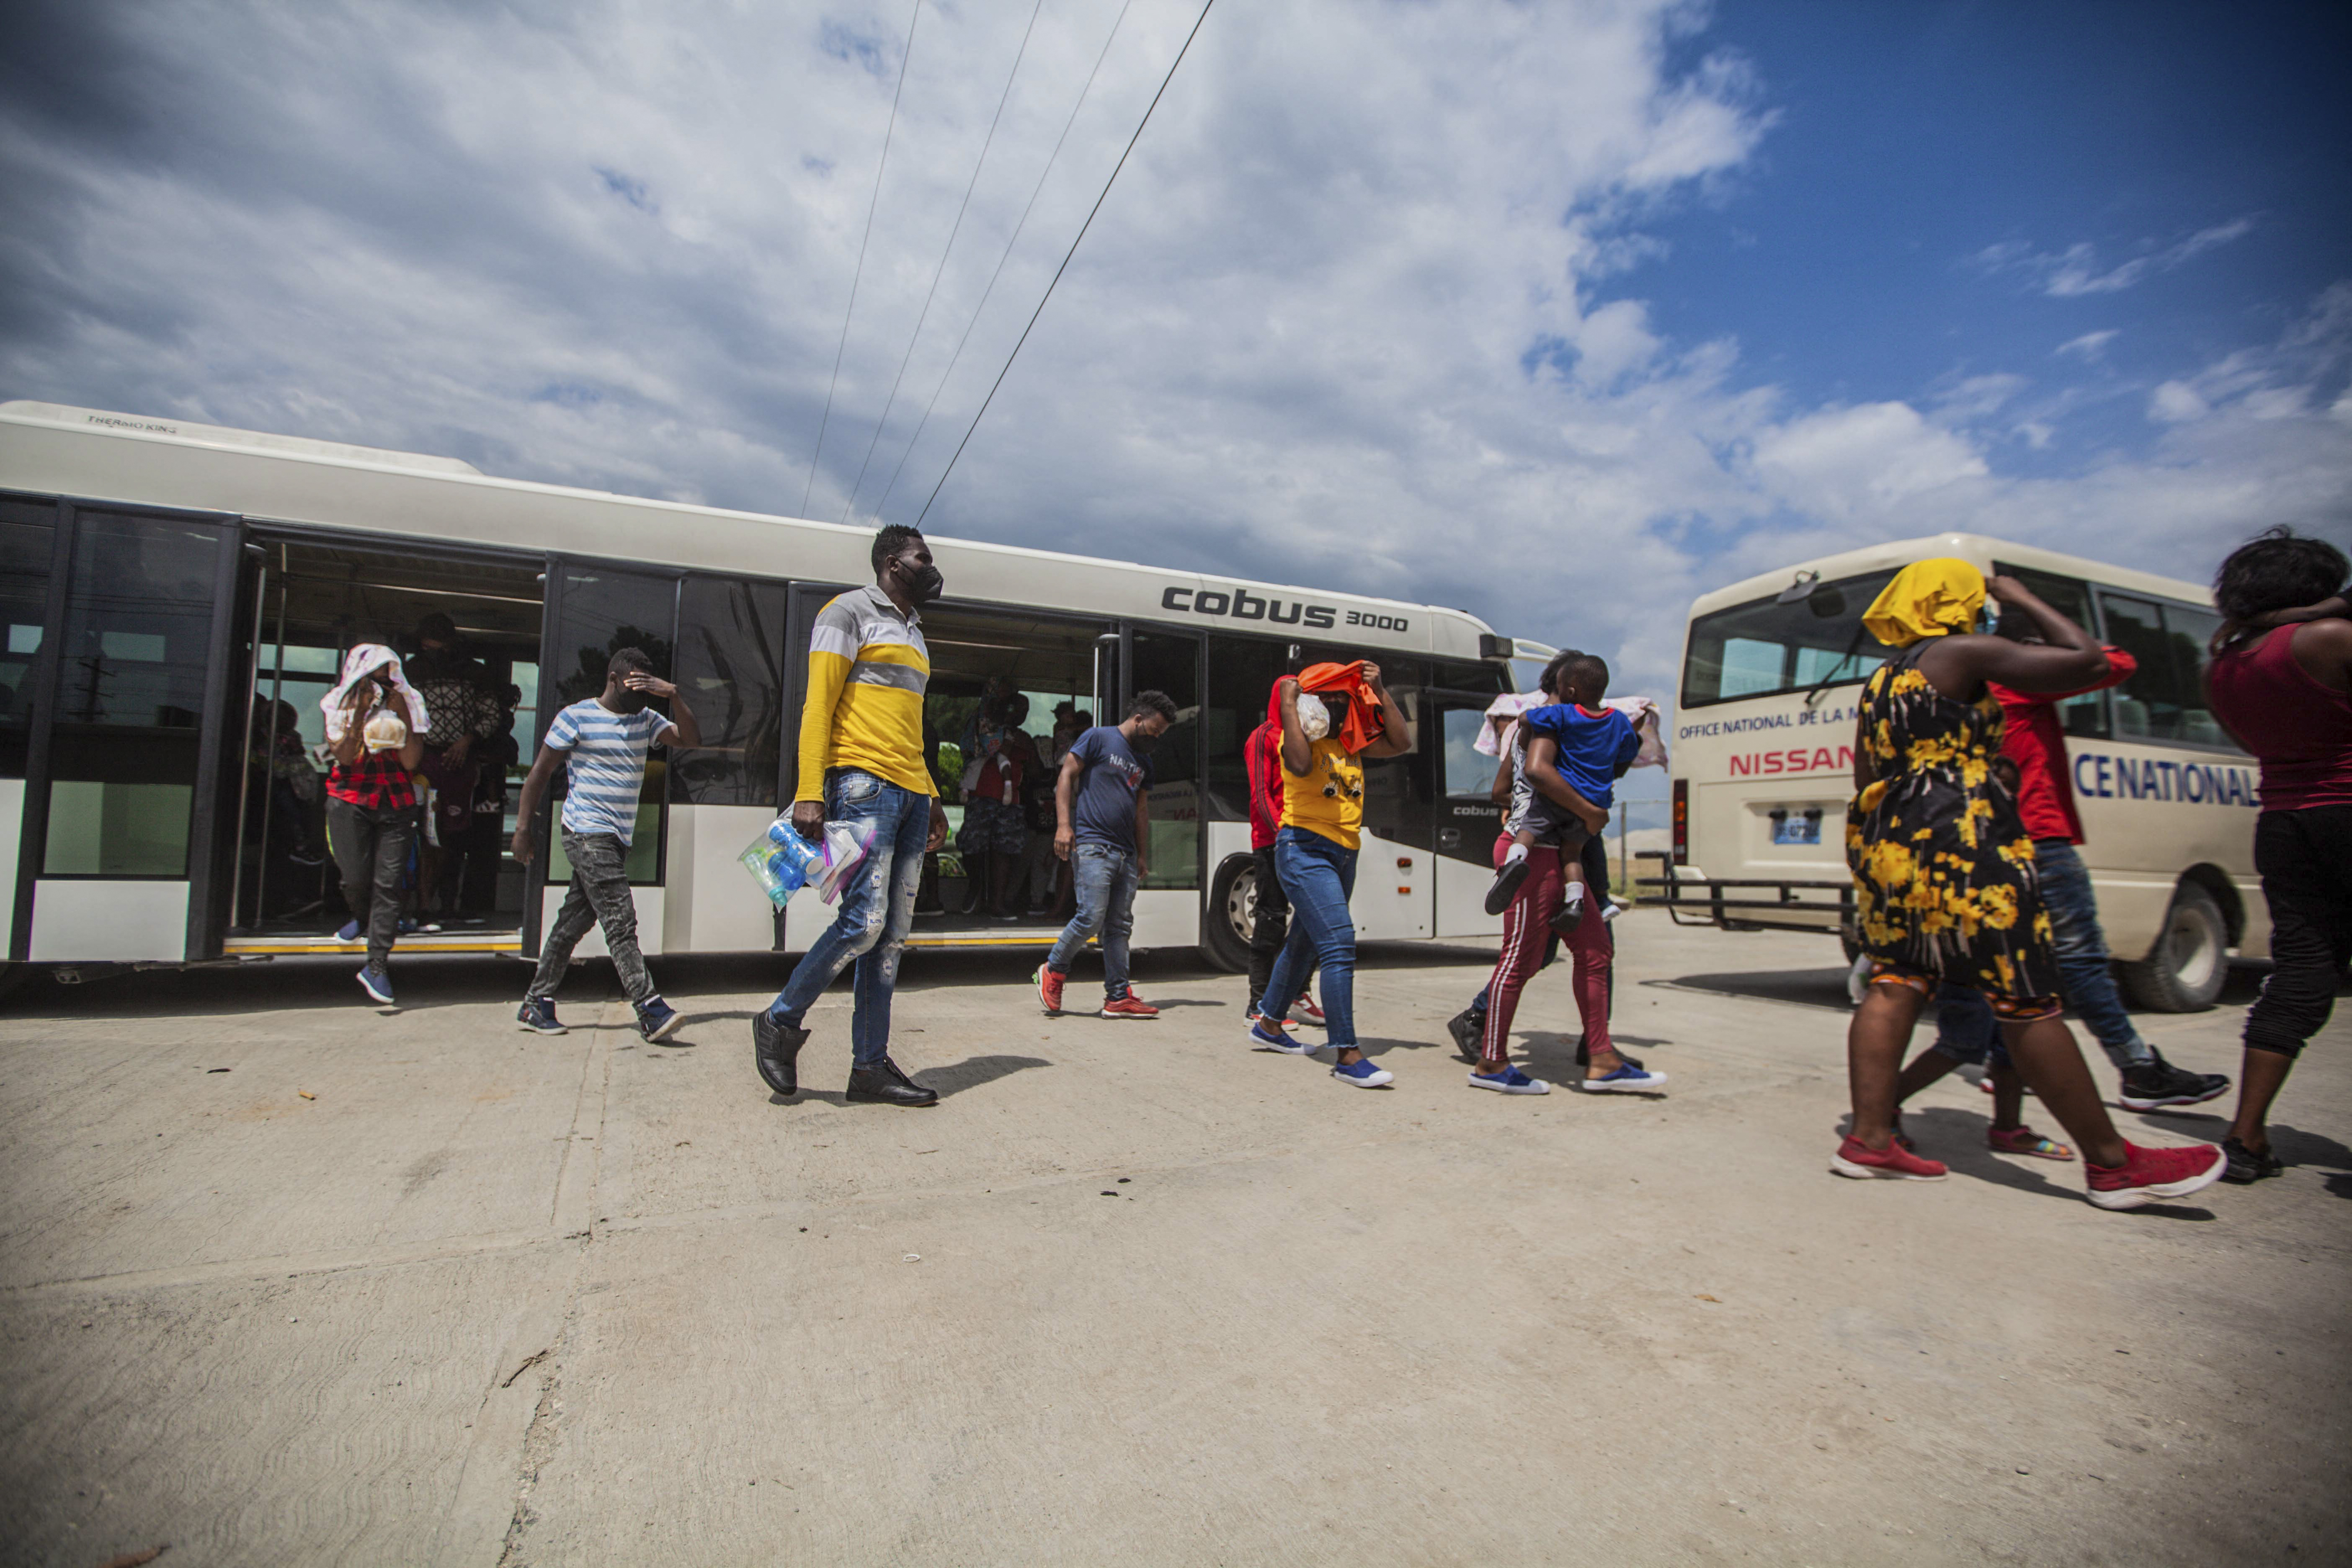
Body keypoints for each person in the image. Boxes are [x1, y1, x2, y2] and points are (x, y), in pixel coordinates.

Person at [1836, 559, 2225, 1208]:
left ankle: (1871, 1137)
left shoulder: (1883, 679)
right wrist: (2020, 595)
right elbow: (2091, 662)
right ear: (1956, 601)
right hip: (1963, 841)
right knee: (2025, 995)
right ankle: (2112, 1165)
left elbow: (1864, 776)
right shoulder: (1963, 650)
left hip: (1891, 847)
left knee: (1896, 979)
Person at [1887, 628, 2230, 1126]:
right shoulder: (2013, 682)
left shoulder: (1925, 696)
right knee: (2070, 968)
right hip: (2036, 842)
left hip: (1964, 856)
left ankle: (2001, 1123)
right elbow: (2113, 661)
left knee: (2017, 995)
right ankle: (2135, 1072)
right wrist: (2034, 615)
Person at [752, 526, 952, 1107]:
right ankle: (780, 1022)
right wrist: (810, 789)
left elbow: (911, 727)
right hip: (862, 782)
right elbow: (819, 705)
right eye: (924, 558)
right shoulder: (847, 612)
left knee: (890, 938)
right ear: (893, 562)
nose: (932, 567)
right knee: (863, 924)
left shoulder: (915, 632)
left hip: (912, 792)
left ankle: (869, 1068)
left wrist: (933, 796)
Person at [2204, 527, 2352, 1184]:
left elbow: (2248, 741)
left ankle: (2246, 1136)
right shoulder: (2328, 640)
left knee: (2301, 973)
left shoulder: (2224, 666)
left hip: (2285, 820)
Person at [1471, 653, 1662, 1095]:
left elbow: (1501, 789)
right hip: (1542, 853)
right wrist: (1588, 808)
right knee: (1519, 959)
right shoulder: (1562, 728)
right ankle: (1491, 1063)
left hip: (1543, 845)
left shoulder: (1530, 726)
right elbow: (1551, 772)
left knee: (1596, 952)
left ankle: (1602, 1059)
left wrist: (1522, 796)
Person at [511, 649, 698, 1042]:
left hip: (617, 838)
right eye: (634, 687)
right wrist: (522, 828)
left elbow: (690, 740)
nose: (640, 697)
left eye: (647, 689)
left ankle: (535, 1001)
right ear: (613, 679)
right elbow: (540, 774)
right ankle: (649, 1008)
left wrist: (674, 695)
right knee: (620, 919)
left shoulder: (646, 719)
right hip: (585, 832)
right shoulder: (576, 716)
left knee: (573, 923)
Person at [1248, 661, 1413, 1087]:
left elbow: (1401, 741)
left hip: (1345, 854)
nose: (1339, 706)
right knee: (1339, 945)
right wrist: (1289, 704)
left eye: (1345, 699)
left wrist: (1382, 690)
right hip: (1304, 850)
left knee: (1304, 943)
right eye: (1330, 699)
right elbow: (1301, 767)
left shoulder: (1352, 744)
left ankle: (1268, 1024)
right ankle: (1348, 1054)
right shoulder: (1296, 739)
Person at [1034, 691, 1178, 1018]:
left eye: (1161, 735)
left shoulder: (1145, 761)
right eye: (1154, 730)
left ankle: (1118, 996)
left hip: (1125, 854)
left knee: (1119, 927)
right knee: (1091, 916)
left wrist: (1142, 854)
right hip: (1093, 845)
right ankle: (1053, 970)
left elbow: (1142, 809)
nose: (1155, 738)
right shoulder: (1098, 738)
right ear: (1138, 719)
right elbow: (1067, 775)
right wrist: (1063, 826)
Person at [321, 644, 428, 1006]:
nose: (382, 683)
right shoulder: (341, 703)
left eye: (388, 675)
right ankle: (360, 917)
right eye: (374, 676)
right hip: (350, 799)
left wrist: (405, 716)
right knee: (354, 876)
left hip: (396, 802)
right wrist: (360, 713)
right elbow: (347, 757)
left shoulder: (408, 701)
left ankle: (377, 964)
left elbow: (411, 761)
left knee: (389, 883)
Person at [406, 613, 505, 922]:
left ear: (450, 642)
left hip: (461, 765)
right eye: (426, 647)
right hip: (423, 761)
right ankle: (423, 905)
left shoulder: (476, 674)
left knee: (453, 838)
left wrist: (467, 741)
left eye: (436, 646)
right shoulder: (410, 672)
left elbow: (492, 717)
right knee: (424, 833)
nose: (431, 653)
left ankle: (449, 904)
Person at [1242, 700, 1321, 1026]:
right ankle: (1258, 1005)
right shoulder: (1263, 737)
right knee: (1271, 920)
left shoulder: (1307, 735)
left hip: (1305, 838)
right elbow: (1260, 794)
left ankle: (1297, 995)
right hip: (1272, 841)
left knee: (1316, 920)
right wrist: (1282, 836)